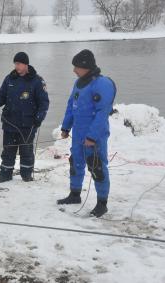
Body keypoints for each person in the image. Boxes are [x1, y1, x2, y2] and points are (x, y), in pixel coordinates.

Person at [57, 49, 116, 218]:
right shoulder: (78, 83)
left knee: (97, 167)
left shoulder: (101, 84)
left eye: (76, 67)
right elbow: (71, 106)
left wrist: (92, 137)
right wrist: (66, 127)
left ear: (86, 66)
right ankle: (74, 195)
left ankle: (102, 204)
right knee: (75, 163)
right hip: (78, 134)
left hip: (94, 137)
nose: (74, 70)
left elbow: (102, 113)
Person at [0, 52, 49, 182]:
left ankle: (26, 176)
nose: (16, 66)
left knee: (26, 152)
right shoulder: (9, 78)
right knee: (8, 151)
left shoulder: (37, 81)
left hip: (28, 124)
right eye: (15, 64)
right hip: (9, 122)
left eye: (19, 64)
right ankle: (5, 175)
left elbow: (44, 103)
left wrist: (39, 118)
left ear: (26, 64)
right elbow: (1, 95)